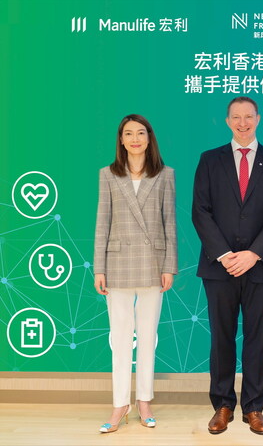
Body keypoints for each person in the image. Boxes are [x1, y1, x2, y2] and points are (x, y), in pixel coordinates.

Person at [192, 96, 263, 435]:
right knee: (221, 338)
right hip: (218, 267)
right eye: (237, 117)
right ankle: (222, 405)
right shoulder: (209, 160)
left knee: (257, 338)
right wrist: (224, 254)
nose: (243, 122)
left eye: (249, 116)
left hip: (260, 267)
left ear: (259, 119)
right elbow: (200, 212)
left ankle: (254, 408)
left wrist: (253, 254)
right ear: (227, 121)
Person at [94, 114, 177, 433]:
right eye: (128, 133)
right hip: (117, 264)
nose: (135, 138)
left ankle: (144, 400)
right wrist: (99, 267)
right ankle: (119, 404)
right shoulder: (108, 174)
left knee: (147, 338)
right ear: (121, 140)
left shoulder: (165, 174)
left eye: (140, 132)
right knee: (119, 339)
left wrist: (169, 265)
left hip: (153, 264)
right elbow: (102, 222)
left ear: (149, 137)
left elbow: (170, 222)